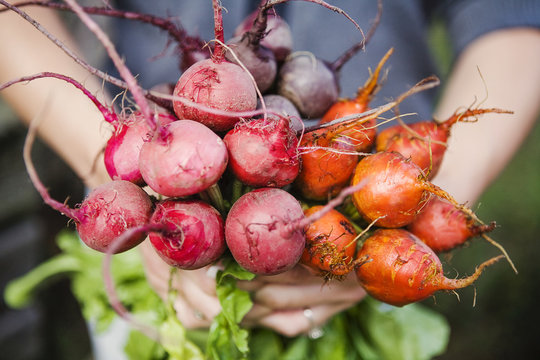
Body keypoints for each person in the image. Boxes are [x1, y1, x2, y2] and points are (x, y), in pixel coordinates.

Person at [1, 0, 540, 341]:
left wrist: (435, 200)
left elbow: (515, 22)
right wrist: (123, 191)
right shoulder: (162, 174)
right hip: (150, 228)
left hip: (385, 185)